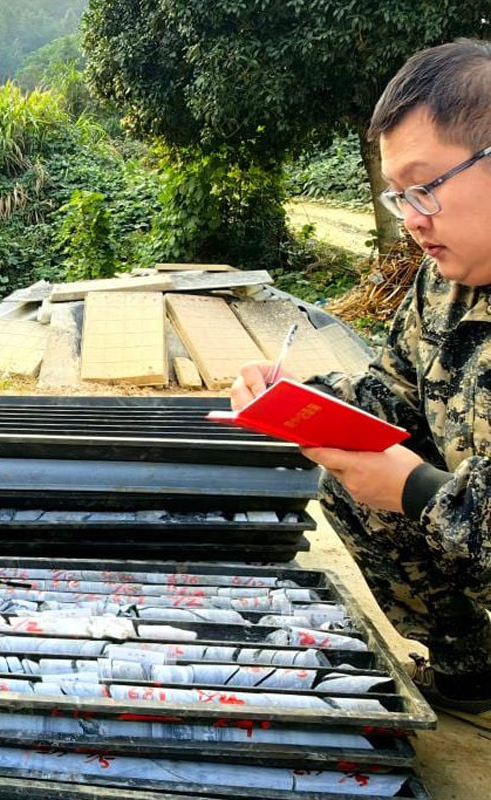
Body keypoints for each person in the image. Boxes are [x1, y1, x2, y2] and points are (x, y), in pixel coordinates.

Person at [230, 39, 491, 727]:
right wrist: (298, 402)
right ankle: (474, 666)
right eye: (398, 195)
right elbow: (393, 395)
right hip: (469, 535)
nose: (411, 218)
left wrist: (411, 485)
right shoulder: (446, 283)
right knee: (340, 474)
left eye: (426, 186)